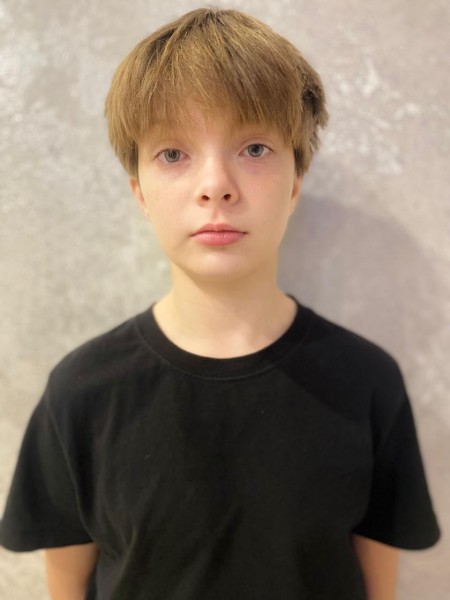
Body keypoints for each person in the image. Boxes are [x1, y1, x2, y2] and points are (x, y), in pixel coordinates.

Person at [0, 7, 440, 600]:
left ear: (294, 183)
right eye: (173, 154)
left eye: (254, 148)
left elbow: (378, 585)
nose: (216, 185)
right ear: (140, 193)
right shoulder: (81, 393)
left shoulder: (366, 383)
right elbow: (67, 583)